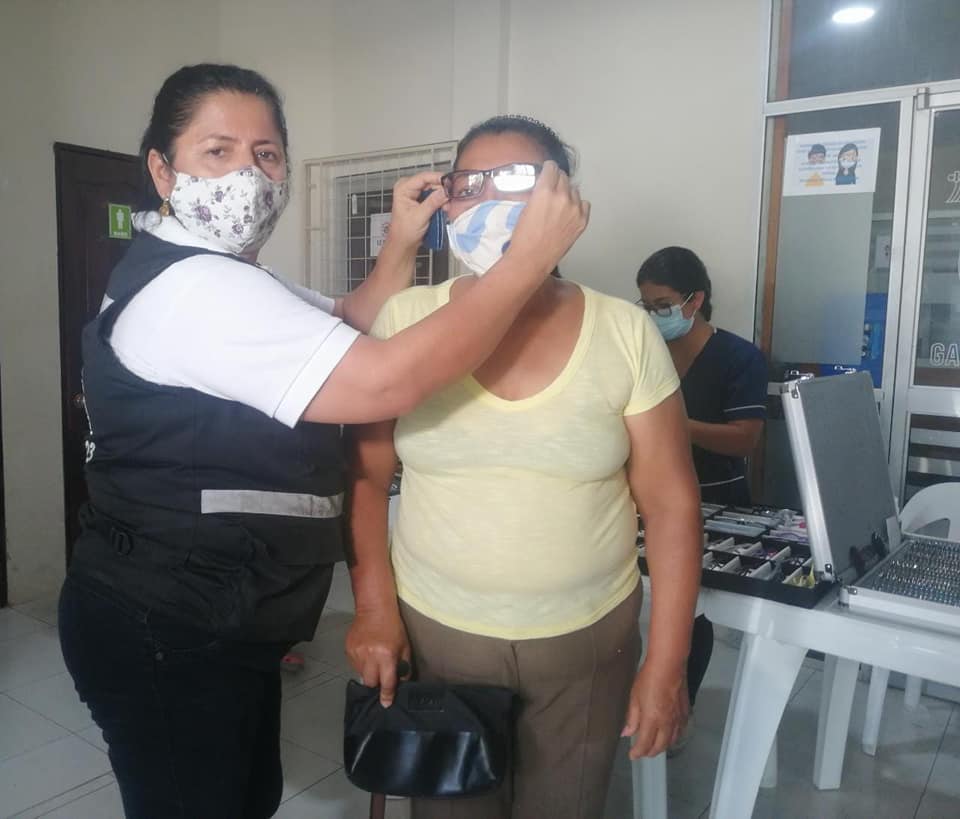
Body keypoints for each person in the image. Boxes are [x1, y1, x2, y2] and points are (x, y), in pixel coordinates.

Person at [57, 66, 588, 819]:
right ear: (163, 170)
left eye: (267, 154)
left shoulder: (229, 276)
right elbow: (382, 381)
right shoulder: (193, 291)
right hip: (164, 619)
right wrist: (526, 262)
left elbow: (345, 323)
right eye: (217, 151)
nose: (248, 176)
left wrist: (401, 241)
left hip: (218, 608)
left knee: (243, 796)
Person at [346, 115, 703, 819]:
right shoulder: (405, 321)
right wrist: (374, 609)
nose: (486, 199)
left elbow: (672, 506)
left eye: (512, 181)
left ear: (558, 197)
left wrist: (666, 665)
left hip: (586, 642)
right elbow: (364, 479)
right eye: (468, 184)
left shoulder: (625, 331)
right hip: (439, 635)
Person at [636, 246, 767, 752]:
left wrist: (676, 424)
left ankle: (677, 710)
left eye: (662, 305)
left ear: (695, 301)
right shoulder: (644, 348)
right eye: (646, 305)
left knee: (694, 610)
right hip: (648, 498)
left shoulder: (739, 358)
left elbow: (744, 438)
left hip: (719, 500)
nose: (653, 316)